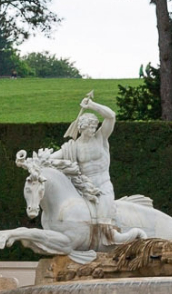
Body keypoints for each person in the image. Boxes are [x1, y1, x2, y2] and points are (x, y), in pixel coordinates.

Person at [47, 92, 119, 225]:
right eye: (90, 127)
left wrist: (91, 105)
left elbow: (111, 116)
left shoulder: (100, 137)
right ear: (82, 128)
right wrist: (39, 159)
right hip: (84, 189)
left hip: (104, 185)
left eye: (94, 127)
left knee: (105, 222)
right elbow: (51, 159)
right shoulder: (73, 147)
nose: (93, 130)